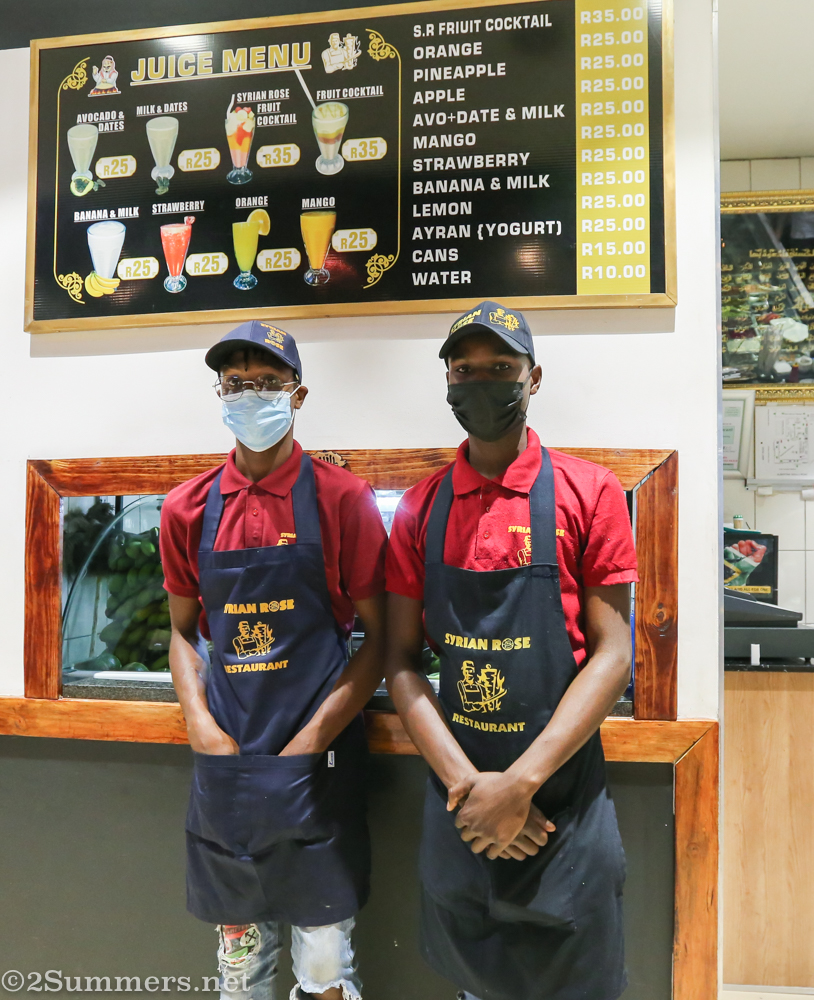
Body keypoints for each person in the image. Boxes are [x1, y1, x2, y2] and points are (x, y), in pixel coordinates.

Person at [384, 301, 638, 1000]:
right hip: (459, 804)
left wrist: (519, 787)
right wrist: (473, 791)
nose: (481, 383)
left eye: (501, 368)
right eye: (464, 370)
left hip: (563, 803)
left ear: (534, 378)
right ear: (447, 383)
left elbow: (614, 654)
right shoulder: (420, 508)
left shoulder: (590, 493)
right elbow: (402, 661)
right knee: (478, 987)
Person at [160, 320, 388, 1000]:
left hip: (317, 762)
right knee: (239, 965)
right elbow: (180, 633)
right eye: (236, 384)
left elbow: (378, 639)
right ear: (219, 394)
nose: (249, 396)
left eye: (266, 383)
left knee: (324, 963)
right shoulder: (187, 507)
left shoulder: (341, 500)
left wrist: (313, 738)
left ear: (298, 394)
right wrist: (201, 725)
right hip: (227, 762)